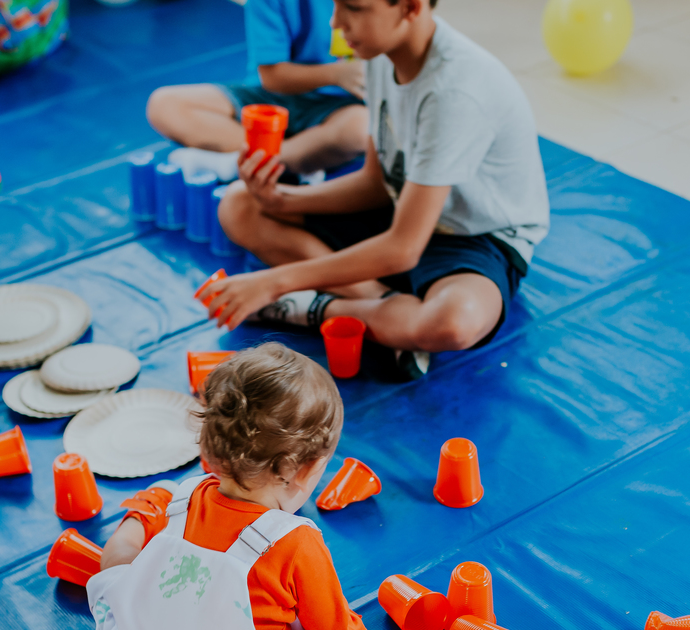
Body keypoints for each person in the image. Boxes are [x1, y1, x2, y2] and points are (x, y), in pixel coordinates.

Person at [78, 344, 428, 630]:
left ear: (208, 449)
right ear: (307, 470)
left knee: (119, 562)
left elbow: (122, 563)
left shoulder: (182, 500)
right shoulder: (296, 542)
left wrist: (142, 520)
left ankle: (141, 514)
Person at [198, 0, 550, 381]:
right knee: (239, 204)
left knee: (454, 321)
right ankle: (382, 304)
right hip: (404, 209)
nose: (335, 22)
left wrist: (273, 284)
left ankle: (305, 308)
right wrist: (281, 200)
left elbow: (403, 249)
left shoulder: (454, 91)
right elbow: (376, 183)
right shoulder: (380, 57)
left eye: (354, 7)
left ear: (410, 7)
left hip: (475, 236)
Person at [146, 0, 369, 182]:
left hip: (339, 107)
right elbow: (272, 78)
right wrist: (336, 75)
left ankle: (241, 163)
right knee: (164, 105)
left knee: (360, 128)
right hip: (272, 99)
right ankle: (295, 160)